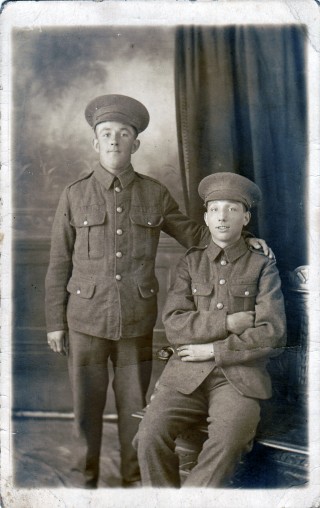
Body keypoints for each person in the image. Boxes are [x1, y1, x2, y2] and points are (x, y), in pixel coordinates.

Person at [45, 95, 272, 489]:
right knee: (87, 409)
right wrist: (55, 323)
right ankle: (85, 483)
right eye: (106, 134)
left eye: (124, 134)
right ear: (95, 143)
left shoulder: (154, 193)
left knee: (136, 409)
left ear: (136, 144)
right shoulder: (74, 194)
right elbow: (58, 262)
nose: (115, 140)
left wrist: (246, 239)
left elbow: (199, 233)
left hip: (136, 321)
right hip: (83, 320)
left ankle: (135, 484)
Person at [136, 172, 287, 488]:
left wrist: (215, 350)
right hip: (187, 372)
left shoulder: (262, 265)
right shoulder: (191, 263)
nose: (222, 217)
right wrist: (227, 324)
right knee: (148, 436)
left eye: (232, 209)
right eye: (215, 209)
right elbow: (174, 323)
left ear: (245, 217)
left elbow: (272, 333)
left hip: (239, 377)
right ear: (205, 217)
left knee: (229, 441)